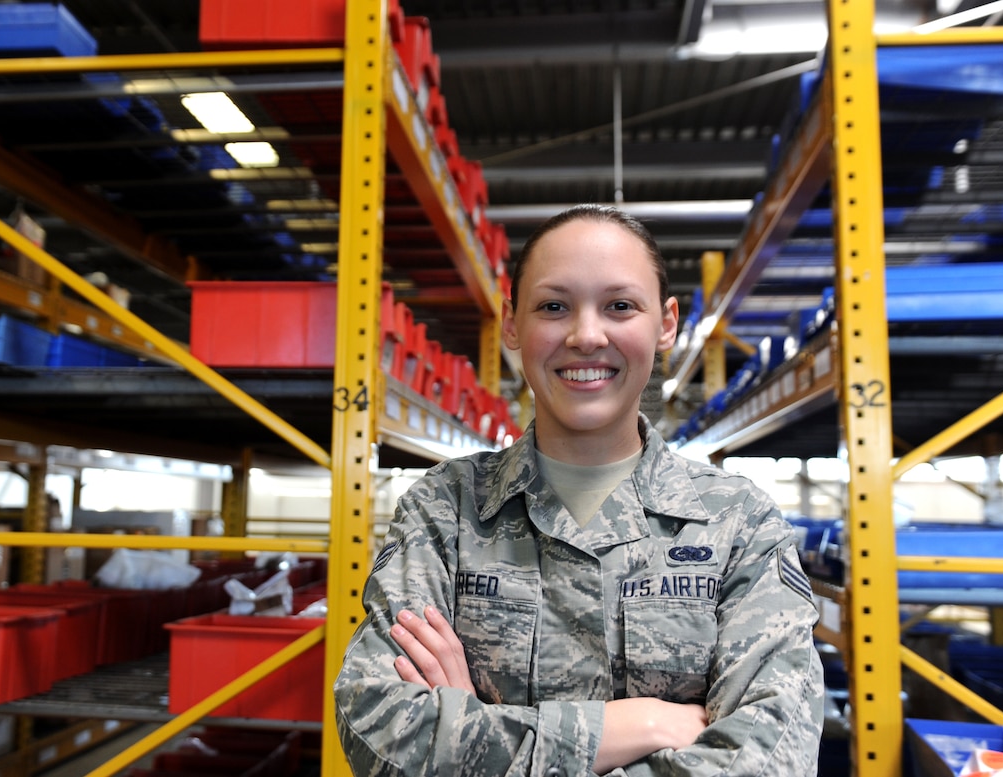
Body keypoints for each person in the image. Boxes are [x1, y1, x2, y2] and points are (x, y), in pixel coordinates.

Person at [333, 204, 824, 776]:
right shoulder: (445, 509)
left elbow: (771, 761)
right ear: (513, 322)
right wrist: (636, 727)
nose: (587, 335)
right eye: (553, 306)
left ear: (665, 323)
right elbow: (379, 732)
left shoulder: (740, 523)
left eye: (619, 306)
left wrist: (469, 730)